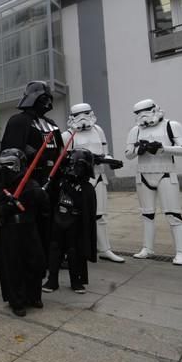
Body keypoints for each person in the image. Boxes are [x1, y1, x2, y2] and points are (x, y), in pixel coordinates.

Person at [1, 81, 64, 289]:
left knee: (51, 226)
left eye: (48, 98)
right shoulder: (19, 122)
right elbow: (11, 155)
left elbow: (60, 152)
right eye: (41, 97)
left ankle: (49, 261)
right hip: (30, 183)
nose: (46, 102)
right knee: (32, 228)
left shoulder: (52, 124)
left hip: (52, 182)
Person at [124, 99, 182, 265]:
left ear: (155, 109)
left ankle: (181, 252)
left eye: (145, 111)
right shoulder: (135, 130)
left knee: (173, 214)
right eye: (138, 114)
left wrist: (162, 148)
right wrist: (140, 149)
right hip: (143, 175)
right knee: (147, 214)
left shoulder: (171, 125)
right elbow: (128, 154)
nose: (142, 116)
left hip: (165, 173)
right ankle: (147, 248)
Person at [63, 103, 124, 263]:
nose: (82, 118)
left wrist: (110, 161)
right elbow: (64, 160)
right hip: (78, 182)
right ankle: (74, 250)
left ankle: (104, 249)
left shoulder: (98, 130)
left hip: (98, 177)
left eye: (86, 113)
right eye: (78, 115)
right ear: (72, 117)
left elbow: (106, 152)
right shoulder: (67, 135)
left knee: (101, 216)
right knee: (74, 216)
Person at [0, 148, 48, 317]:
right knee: (13, 266)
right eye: (2, 166)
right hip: (10, 231)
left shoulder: (31, 184)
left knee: (34, 262)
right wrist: (6, 208)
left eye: (9, 165)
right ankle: (17, 301)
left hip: (29, 229)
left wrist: (39, 195)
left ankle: (34, 296)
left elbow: (44, 209)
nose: (5, 169)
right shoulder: (1, 188)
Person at [45, 149, 98, 294]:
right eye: (72, 165)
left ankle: (76, 280)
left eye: (78, 166)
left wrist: (70, 188)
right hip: (58, 219)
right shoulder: (59, 182)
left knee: (74, 250)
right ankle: (52, 279)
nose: (74, 169)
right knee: (55, 249)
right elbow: (50, 198)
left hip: (75, 222)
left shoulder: (87, 188)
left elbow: (86, 208)